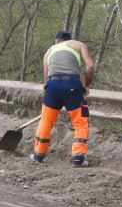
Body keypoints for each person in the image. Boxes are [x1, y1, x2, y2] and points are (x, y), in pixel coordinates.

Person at [31, 29, 95, 166]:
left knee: (46, 121)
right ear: (69, 39)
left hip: (52, 86)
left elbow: (45, 80)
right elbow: (90, 66)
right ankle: (78, 158)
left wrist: (50, 89)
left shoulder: (49, 51)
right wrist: (87, 85)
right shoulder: (78, 44)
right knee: (81, 122)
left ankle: (38, 155)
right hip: (71, 84)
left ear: (56, 40)